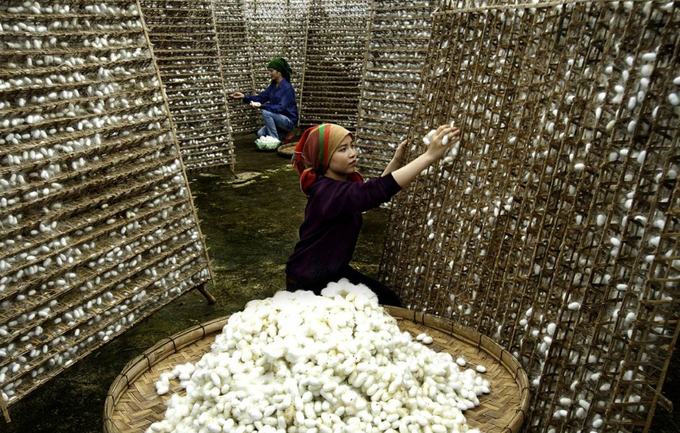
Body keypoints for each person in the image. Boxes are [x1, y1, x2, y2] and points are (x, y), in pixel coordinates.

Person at [285, 123, 461, 306]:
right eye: (343, 149)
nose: (353, 153)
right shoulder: (328, 192)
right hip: (309, 280)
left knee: (387, 300)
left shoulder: (335, 188)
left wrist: (396, 162)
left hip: (331, 271)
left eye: (352, 146)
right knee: (379, 306)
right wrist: (430, 156)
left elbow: (368, 196)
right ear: (323, 158)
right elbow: (374, 192)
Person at [229, 57, 298, 144]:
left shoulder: (287, 88)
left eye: (271, 71)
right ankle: (283, 136)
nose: (269, 73)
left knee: (266, 112)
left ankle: (275, 141)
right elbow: (261, 98)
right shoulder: (273, 86)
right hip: (278, 120)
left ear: (278, 72)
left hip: (288, 121)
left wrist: (261, 106)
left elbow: (280, 108)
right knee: (260, 133)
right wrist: (244, 96)